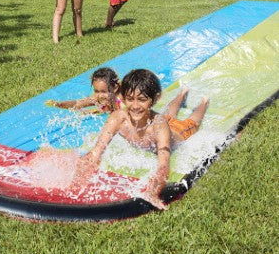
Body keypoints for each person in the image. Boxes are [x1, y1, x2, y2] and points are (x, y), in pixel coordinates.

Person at [70, 69, 209, 210]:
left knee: (192, 123)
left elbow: (163, 166)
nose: (135, 106)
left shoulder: (159, 127)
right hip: (157, 119)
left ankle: (204, 101)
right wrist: (77, 181)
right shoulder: (118, 118)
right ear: (123, 98)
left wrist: (153, 191)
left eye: (142, 100)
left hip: (178, 133)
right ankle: (182, 93)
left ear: (154, 99)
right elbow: (96, 152)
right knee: (168, 113)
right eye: (130, 99)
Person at [46, 67, 122, 114]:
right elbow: (76, 103)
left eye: (103, 91)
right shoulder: (97, 98)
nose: (99, 95)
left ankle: (102, 110)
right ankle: (103, 110)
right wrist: (59, 104)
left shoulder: (124, 100)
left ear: (115, 88)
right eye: (96, 91)